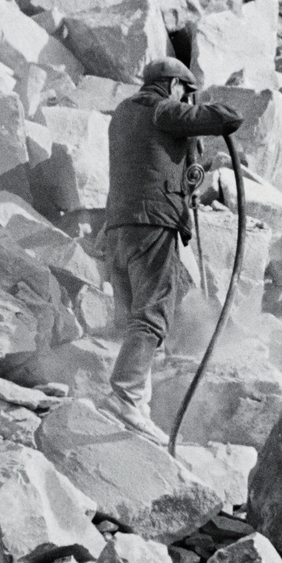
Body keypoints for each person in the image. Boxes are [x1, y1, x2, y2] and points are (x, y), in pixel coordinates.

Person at [100, 58, 242, 441]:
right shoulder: (162, 109)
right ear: (173, 85)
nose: (186, 98)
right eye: (186, 91)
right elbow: (228, 117)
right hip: (151, 223)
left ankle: (139, 403)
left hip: (120, 225)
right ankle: (127, 393)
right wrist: (200, 107)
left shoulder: (123, 113)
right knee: (155, 306)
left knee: (164, 296)